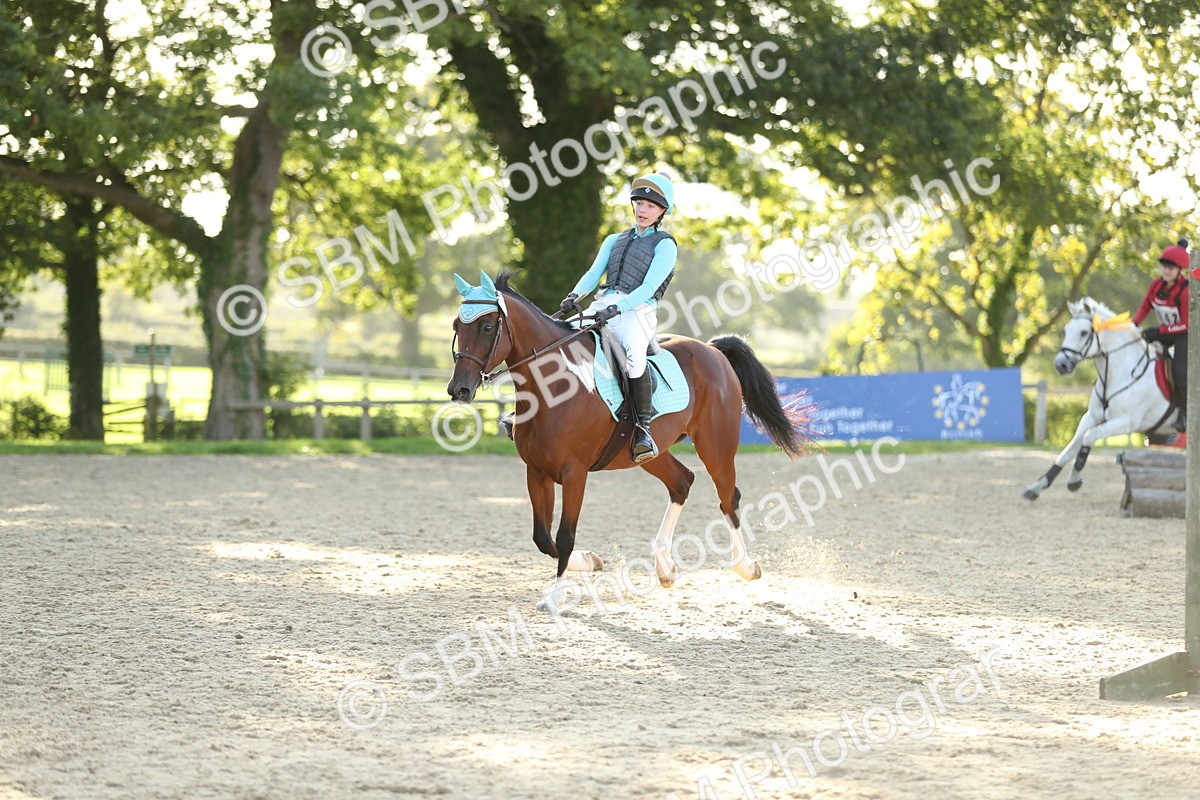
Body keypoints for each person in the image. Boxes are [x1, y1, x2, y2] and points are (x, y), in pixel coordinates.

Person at [557, 172, 679, 463]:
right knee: (559, 338)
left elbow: (649, 287)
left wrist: (620, 307)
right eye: (639, 203)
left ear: (662, 211)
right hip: (603, 303)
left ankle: (643, 429)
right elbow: (592, 274)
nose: (642, 210)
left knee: (634, 355)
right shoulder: (615, 239)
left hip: (639, 310)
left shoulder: (665, 245)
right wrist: (575, 295)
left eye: (650, 206)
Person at [1134, 238, 1191, 431]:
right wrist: (1133, 326)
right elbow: (1145, 307)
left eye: (1171, 268)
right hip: (1166, 332)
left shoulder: (1185, 290)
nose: (1166, 271)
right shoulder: (1155, 286)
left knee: (1180, 372)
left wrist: (1160, 331)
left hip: (1183, 335)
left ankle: (1185, 413)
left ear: (1179, 270)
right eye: (1164, 267)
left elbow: (1186, 324)